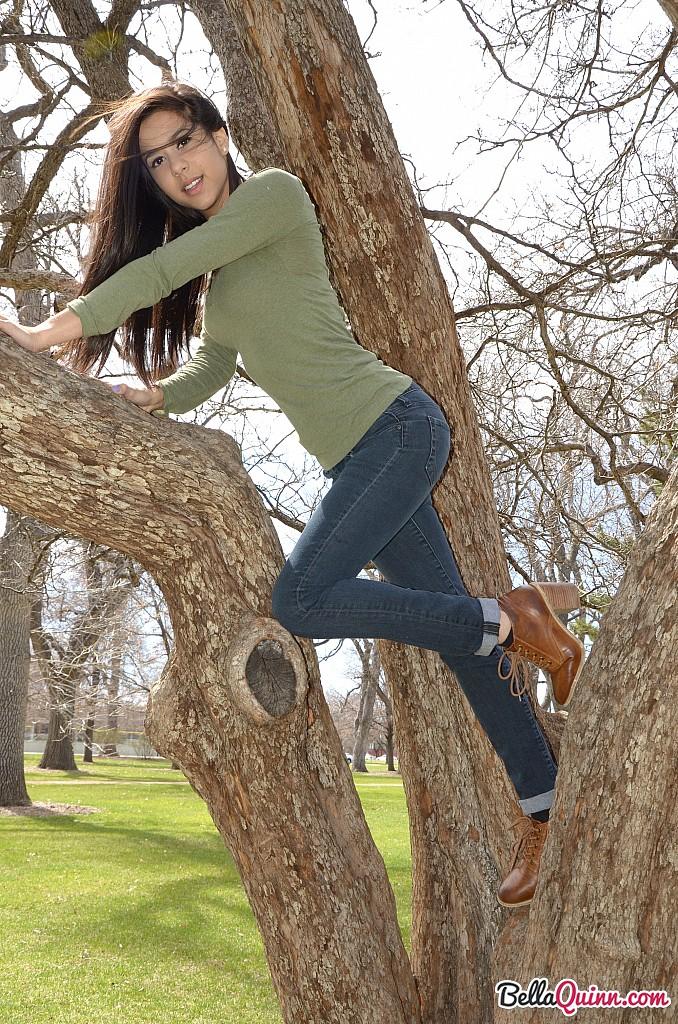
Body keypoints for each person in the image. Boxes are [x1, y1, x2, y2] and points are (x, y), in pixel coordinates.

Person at [0, 81, 585, 907]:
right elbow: (214, 365)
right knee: (464, 642)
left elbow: (164, 266)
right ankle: (546, 798)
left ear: (219, 135)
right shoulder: (223, 286)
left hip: (396, 428)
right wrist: (157, 395)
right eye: (157, 162)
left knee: (302, 600)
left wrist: (44, 332)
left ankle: (512, 619)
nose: (177, 167)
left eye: (185, 142)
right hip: (358, 458)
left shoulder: (273, 198)